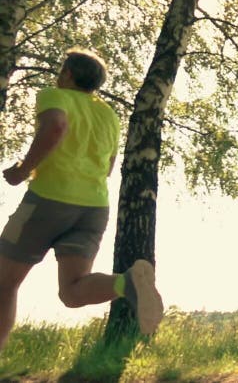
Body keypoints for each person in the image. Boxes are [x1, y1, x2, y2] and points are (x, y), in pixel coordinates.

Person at [0, 48, 163, 350]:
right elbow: (109, 165)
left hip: (48, 201)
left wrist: (23, 170)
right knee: (72, 293)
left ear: (69, 74)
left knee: (5, 282)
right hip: (93, 207)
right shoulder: (109, 115)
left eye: (63, 71)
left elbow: (56, 127)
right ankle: (126, 283)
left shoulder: (55, 95)